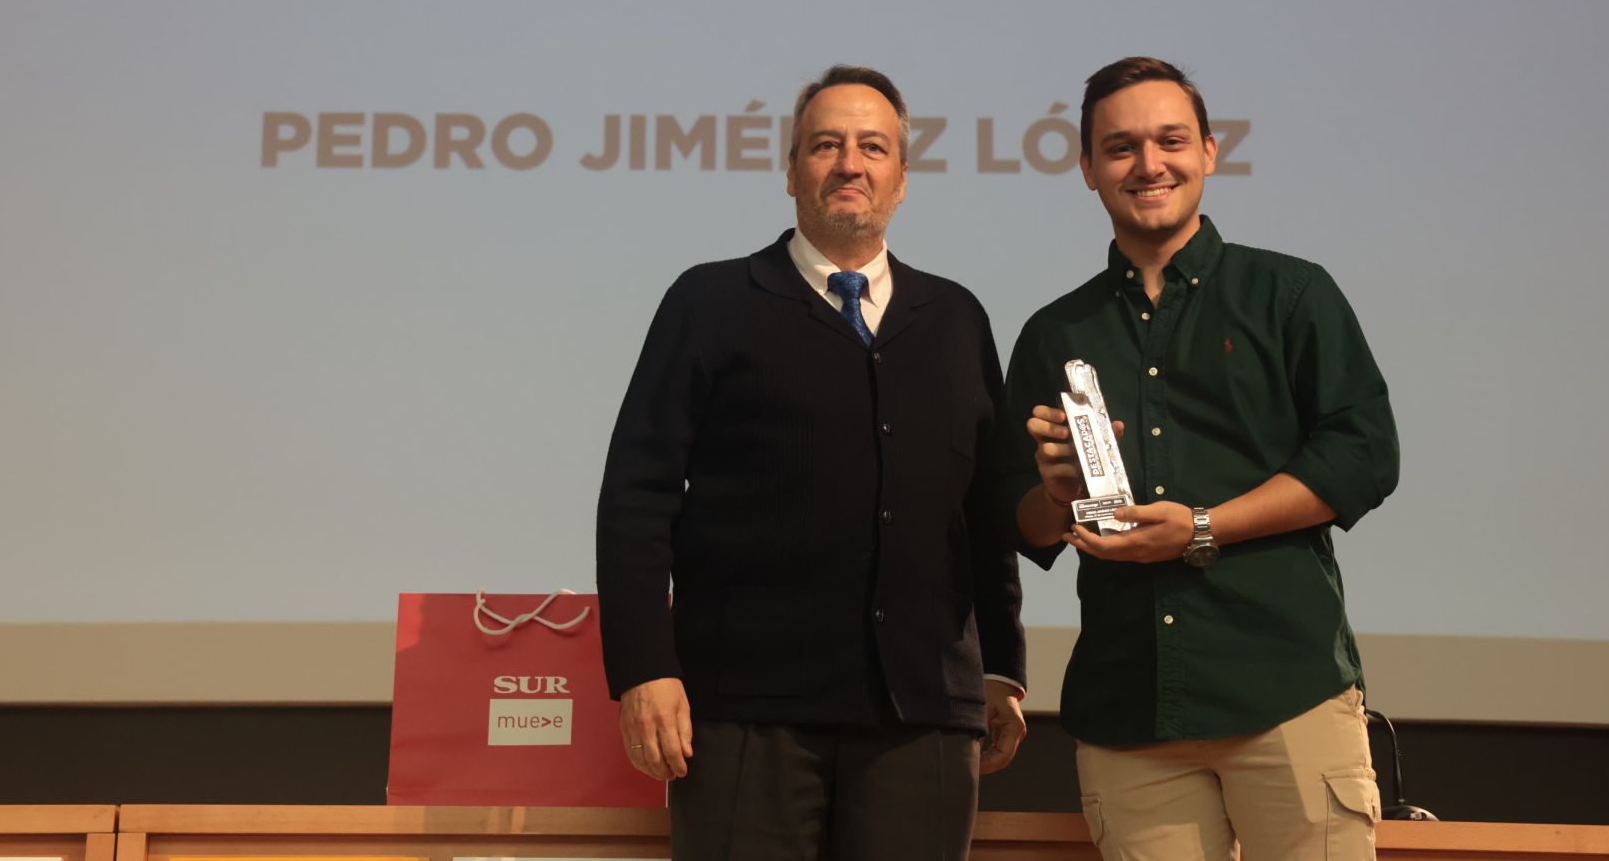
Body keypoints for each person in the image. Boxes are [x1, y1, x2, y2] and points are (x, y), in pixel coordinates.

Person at [597, 64, 1027, 861]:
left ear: (903, 177)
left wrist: (1000, 667)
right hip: (743, 715)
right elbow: (636, 494)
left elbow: (978, 511)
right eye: (825, 144)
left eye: (873, 146)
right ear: (790, 169)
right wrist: (642, 669)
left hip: (922, 713)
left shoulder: (956, 318)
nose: (850, 163)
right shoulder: (711, 301)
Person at [994, 56, 1399, 860]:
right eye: (1120, 148)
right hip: (1129, 709)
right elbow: (1026, 524)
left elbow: (1364, 454)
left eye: (1170, 140)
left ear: (1209, 151)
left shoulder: (1288, 294)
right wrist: (1053, 491)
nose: (1149, 164)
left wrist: (1203, 527)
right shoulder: (1055, 332)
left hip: (1286, 691)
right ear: (1086, 169)